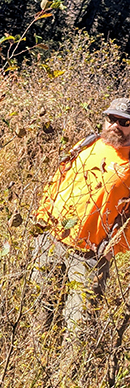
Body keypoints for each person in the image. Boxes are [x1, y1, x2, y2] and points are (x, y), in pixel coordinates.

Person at [30, 98, 130, 339]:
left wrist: (113, 248)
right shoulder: (88, 144)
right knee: (40, 307)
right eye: (111, 119)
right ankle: (35, 360)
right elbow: (59, 177)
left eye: (124, 121)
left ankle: (64, 376)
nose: (115, 125)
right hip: (51, 240)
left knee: (79, 326)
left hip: (90, 255)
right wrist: (42, 216)